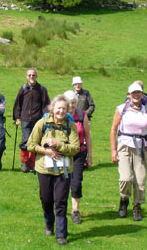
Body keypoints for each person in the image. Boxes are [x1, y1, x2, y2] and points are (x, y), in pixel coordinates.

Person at [27, 95, 80, 245]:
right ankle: (49, 224)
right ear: (53, 109)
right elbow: (31, 144)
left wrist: (59, 145)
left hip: (63, 171)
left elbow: (75, 148)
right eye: (58, 108)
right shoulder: (42, 123)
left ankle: (61, 234)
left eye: (64, 108)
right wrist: (47, 151)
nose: (61, 111)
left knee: (61, 201)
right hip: (44, 169)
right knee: (46, 199)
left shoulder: (71, 126)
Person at [110, 82, 147, 221]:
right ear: (129, 95)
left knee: (140, 180)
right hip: (124, 145)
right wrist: (113, 150)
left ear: (142, 94)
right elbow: (113, 129)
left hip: (141, 147)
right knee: (125, 178)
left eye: (139, 92)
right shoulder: (121, 109)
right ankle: (124, 199)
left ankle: (137, 206)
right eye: (133, 93)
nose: (136, 95)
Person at [63, 90, 93, 225]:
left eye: (74, 103)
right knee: (62, 182)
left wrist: (90, 155)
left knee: (76, 183)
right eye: (70, 103)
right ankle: (60, 207)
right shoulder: (60, 115)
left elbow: (87, 135)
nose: (72, 106)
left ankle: (75, 210)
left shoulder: (82, 115)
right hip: (63, 153)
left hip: (79, 153)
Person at [13, 68, 50, 173]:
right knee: (25, 141)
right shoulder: (23, 88)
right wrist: (17, 117)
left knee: (36, 142)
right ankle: (24, 163)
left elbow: (46, 105)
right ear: (26, 76)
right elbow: (18, 104)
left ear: (36, 76)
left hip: (38, 120)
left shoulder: (42, 89)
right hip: (25, 119)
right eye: (29, 75)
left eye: (33, 75)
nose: (31, 77)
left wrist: (45, 117)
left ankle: (33, 164)